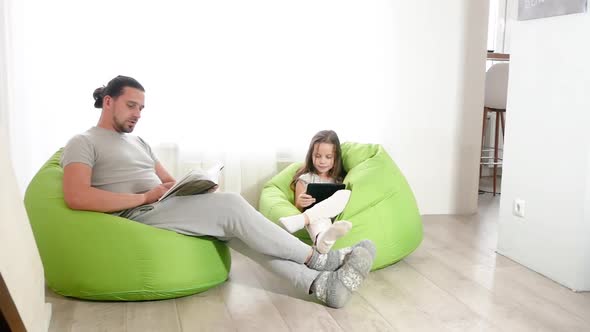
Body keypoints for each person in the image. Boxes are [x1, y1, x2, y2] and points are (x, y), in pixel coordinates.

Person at [60, 75, 376, 309]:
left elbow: (168, 182)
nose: (137, 114)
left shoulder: (139, 143)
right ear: (108, 101)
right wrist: (143, 198)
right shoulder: (83, 142)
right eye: (131, 106)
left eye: (141, 108)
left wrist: (196, 185)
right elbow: (77, 196)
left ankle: (320, 287)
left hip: (161, 206)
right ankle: (318, 259)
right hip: (136, 214)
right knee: (231, 207)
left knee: (233, 229)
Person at [278, 130, 352, 254]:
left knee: (345, 194)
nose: (322, 161)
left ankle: (301, 221)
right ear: (311, 155)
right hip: (316, 219)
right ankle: (322, 240)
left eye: (328, 157)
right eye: (317, 156)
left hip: (332, 215)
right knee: (317, 220)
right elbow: (297, 206)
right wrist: (301, 202)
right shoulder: (305, 179)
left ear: (336, 158)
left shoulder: (339, 180)